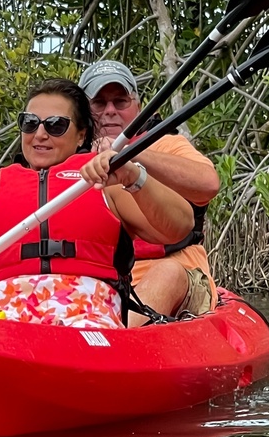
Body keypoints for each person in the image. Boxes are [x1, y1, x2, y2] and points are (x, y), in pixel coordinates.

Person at [0, 78, 194, 329]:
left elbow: (180, 226)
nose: (40, 134)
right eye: (30, 123)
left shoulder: (107, 184)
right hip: (2, 329)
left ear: (81, 135)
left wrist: (133, 176)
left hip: (86, 329)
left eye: (55, 125)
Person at [79, 60, 220, 326]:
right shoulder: (69, 155)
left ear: (138, 107)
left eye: (120, 102)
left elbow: (209, 183)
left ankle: (113, 342)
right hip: (100, 281)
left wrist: (131, 152)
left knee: (166, 273)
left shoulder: (167, 144)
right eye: (99, 103)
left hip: (174, 274)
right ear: (84, 112)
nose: (110, 111)